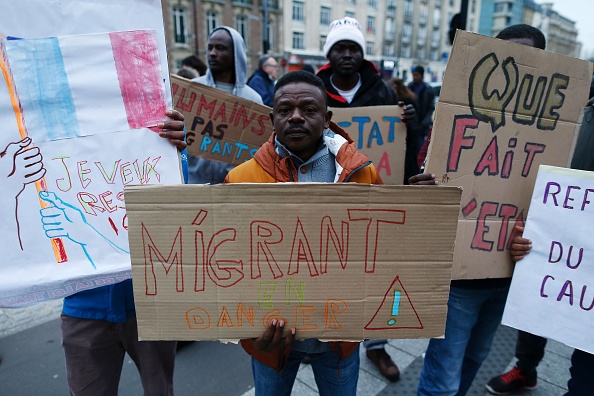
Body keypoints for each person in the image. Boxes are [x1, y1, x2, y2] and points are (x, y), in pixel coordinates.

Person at [225, 70, 382, 395]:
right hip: (270, 342)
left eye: (308, 110)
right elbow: (227, 265)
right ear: (272, 118)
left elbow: (384, 252)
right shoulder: (240, 180)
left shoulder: (362, 174)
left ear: (326, 119)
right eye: (285, 110)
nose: (296, 117)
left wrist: (421, 207)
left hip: (339, 342)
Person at [414, 24, 548, 396]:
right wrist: (424, 186)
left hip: (508, 274)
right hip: (460, 277)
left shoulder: (551, 136)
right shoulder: (453, 115)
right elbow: (427, 167)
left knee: (477, 356)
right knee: (443, 371)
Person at [316, 16, 417, 382]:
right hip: (325, 201)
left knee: (375, 271)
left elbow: (404, 146)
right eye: (340, 48)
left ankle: (375, 343)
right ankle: (330, 334)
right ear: (330, 54)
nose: (347, 55)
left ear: (363, 55)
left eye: (353, 48)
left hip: (371, 201)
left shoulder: (383, 92)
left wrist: (410, 121)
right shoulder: (313, 89)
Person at [59, 109, 186, 396]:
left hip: (152, 301)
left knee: (160, 391)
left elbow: (179, 203)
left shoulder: (155, 126)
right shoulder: (60, 138)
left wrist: (176, 154)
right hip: (85, 304)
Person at [188, 26, 263, 185]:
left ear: (236, 54)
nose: (212, 53)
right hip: (194, 185)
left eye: (220, 48)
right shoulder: (192, 90)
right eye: (210, 47)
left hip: (234, 190)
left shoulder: (253, 100)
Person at [407, 65, 435, 148]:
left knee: (420, 147)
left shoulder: (428, 90)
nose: (415, 77)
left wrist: (424, 123)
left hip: (421, 126)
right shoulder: (409, 87)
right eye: (414, 75)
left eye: (417, 75)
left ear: (421, 76)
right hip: (410, 125)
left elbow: (430, 108)